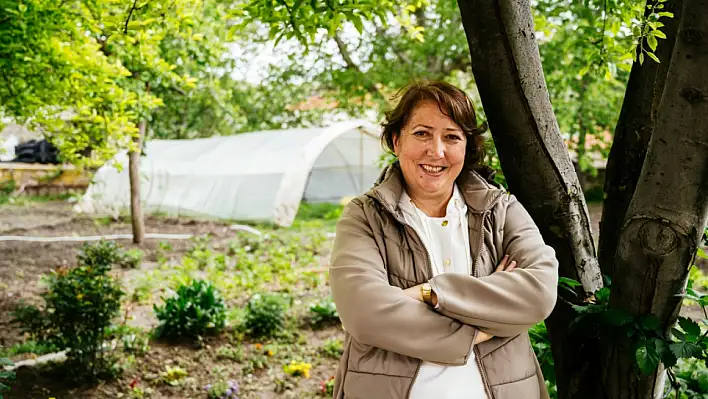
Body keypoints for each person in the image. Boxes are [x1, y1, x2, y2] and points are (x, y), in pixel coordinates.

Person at [328, 80, 559, 399]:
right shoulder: (365, 216)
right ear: (397, 141)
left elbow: (539, 293)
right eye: (422, 133)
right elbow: (363, 314)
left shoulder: (501, 210)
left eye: (451, 137)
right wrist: (487, 324)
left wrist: (430, 292)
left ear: (467, 147)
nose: (436, 151)